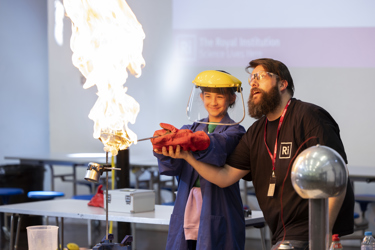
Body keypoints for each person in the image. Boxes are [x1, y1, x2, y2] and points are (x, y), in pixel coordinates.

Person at [154, 58, 355, 250]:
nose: (254, 83)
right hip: (281, 232)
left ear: (282, 84)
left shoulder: (308, 116)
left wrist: (323, 234)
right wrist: (187, 157)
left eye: (261, 76)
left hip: (310, 230)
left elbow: (336, 172)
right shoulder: (256, 132)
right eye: (252, 79)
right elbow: (224, 177)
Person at [152, 70, 247, 250]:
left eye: (219, 96)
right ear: (201, 97)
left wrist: (197, 142)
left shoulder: (236, 132)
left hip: (219, 204)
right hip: (186, 203)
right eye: (208, 96)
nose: (213, 102)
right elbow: (172, 167)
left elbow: (219, 146)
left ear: (232, 98)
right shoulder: (189, 129)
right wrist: (163, 149)